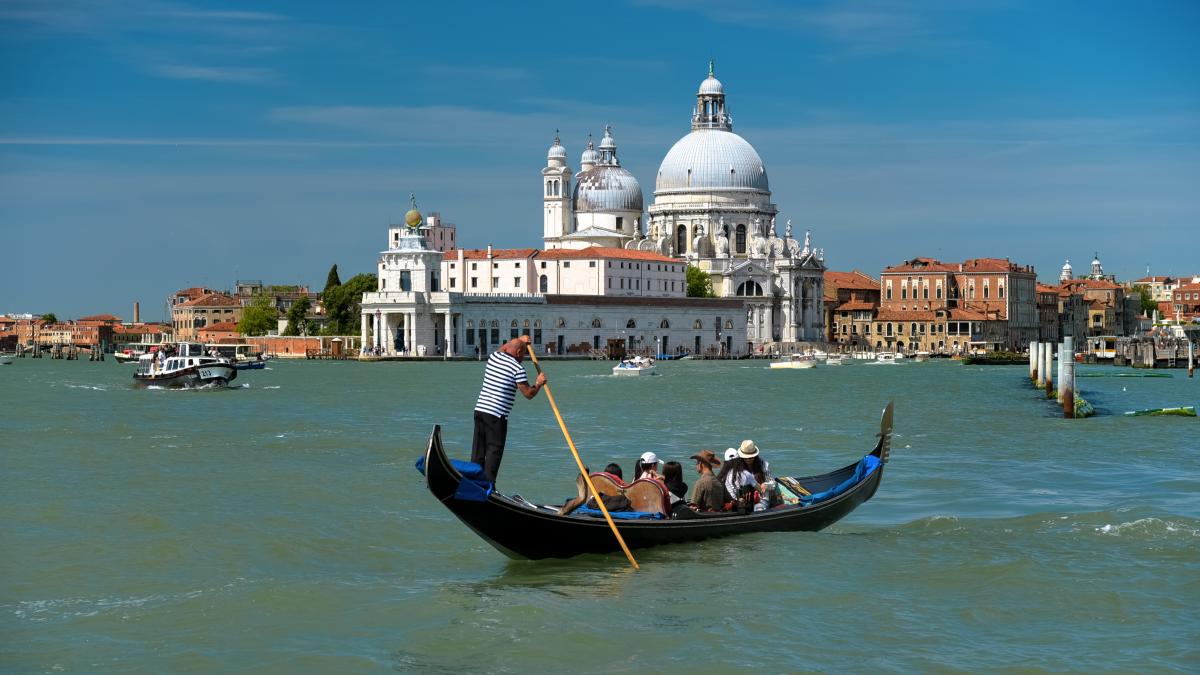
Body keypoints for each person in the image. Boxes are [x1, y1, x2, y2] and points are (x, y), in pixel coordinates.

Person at [471, 335, 547, 482]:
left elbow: (506, 347)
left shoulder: (494, 357)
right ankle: (488, 486)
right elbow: (528, 394)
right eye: (523, 354)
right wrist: (538, 383)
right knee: (494, 451)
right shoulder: (517, 369)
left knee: (478, 450)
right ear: (518, 352)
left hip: (480, 410)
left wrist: (519, 340)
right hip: (497, 415)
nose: (524, 358)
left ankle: (474, 480)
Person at [717, 440, 774, 512]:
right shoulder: (737, 466)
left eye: (751, 457)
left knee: (759, 509)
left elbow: (773, 484)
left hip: (761, 499)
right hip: (743, 501)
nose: (748, 460)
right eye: (745, 457)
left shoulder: (764, 465)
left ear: (755, 456)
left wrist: (766, 485)